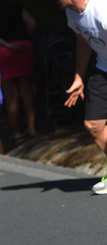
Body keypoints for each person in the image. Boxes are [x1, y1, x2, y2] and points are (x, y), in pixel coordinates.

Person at [60, 0, 107, 194]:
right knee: (93, 125)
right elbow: (83, 42)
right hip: (103, 70)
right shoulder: (71, 13)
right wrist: (78, 77)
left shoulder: (102, 10)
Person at [0, 0, 37, 139]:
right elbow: (32, 22)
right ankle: (31, 128)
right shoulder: (16, 5)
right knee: (27, 91)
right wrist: (25, 37)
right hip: (23, 47)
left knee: (10, 95)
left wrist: (6, 44)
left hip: (2, 51)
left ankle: (16, 132)